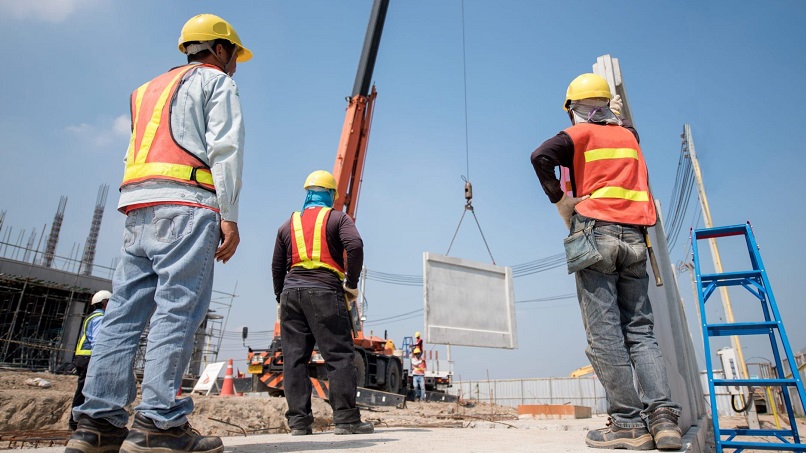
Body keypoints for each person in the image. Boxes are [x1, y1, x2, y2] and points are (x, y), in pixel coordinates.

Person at [66, 13, 250, 453]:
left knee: (123, 314)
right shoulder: (215, 82)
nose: (235, 65)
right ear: (219, 49)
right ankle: (158, 423)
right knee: (177, 310)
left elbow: (136, 149)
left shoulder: (145, 90)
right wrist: (229, 215)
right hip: (187, 206)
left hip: (138, 208)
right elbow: (225, 149)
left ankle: (97, 424)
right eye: (234, 56)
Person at [530, 73, 682, 451]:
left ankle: (629, 424)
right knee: (640, 331)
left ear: (572, 109)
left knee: (605, 334)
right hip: (634, 237)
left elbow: (540, 157)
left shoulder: (579, 135)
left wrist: (561, 201)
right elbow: (625, 134)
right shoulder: (629, 137)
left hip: (595, 233)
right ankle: (663, 419)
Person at [271, 170, 374, 436]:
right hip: (325, 291)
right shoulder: (338, 218)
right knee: (338, 356)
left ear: (307, 193)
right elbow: (355, 245)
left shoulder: (287, 224)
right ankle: (347, 421)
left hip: (291, 294)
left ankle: (299, 424)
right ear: (330, 194)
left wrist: (280, 297)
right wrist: (351, 284)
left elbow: (277, 265)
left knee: (294, 360)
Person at [68, 290, 111, 431]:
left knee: (82, 390)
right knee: (88, 391)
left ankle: (76, 421)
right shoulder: (100, 317)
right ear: (105, 303)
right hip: (90, 358)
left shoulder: (92, 316)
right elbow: (98, 341)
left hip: (83, 358)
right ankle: (77, 422)